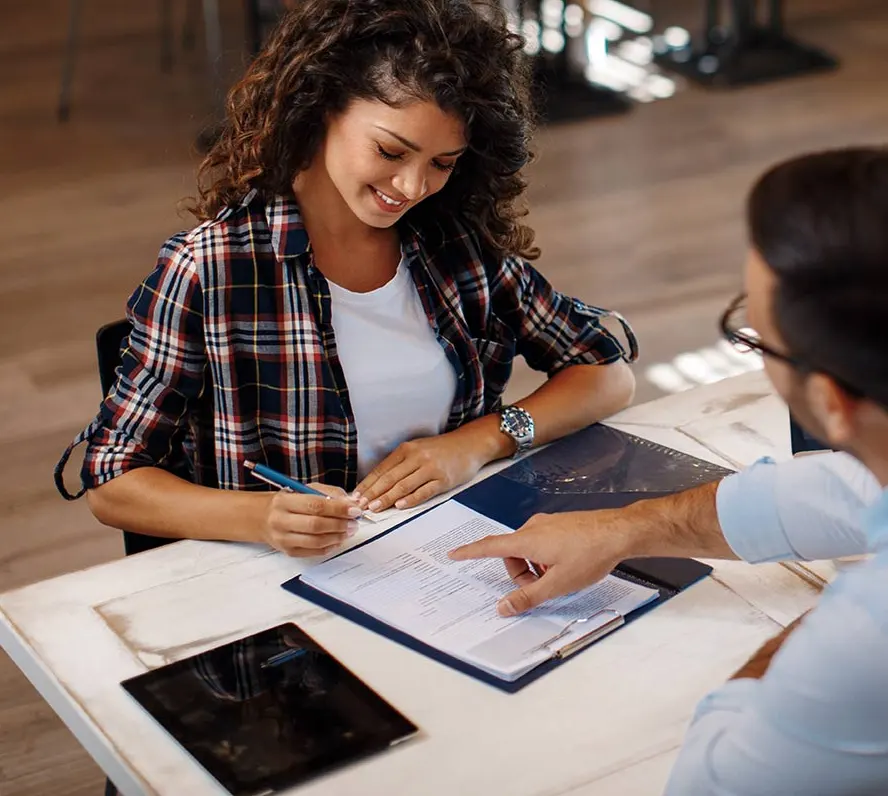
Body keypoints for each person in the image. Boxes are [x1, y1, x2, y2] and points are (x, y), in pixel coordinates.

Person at [53, 0, 637, 559]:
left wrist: (479, 441)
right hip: (282, 599)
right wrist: (259, 518)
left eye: (442, 163)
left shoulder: (453, 245)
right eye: (390, 151)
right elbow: (112, 479)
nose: (411, 188)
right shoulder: (211, 270)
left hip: (452, 563)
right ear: (320, 107)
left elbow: (607, 373)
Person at [451, 147, 888, 793]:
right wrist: (623, 529)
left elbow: (711, 779)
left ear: (831, 401)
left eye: (757, 338)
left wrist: (822, 630)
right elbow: (835, 494)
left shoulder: (866, 641)